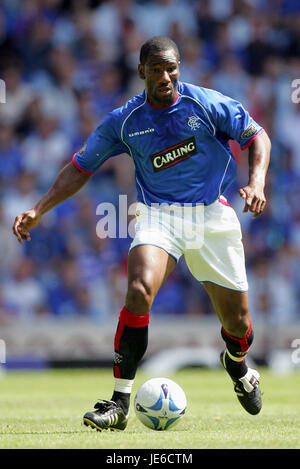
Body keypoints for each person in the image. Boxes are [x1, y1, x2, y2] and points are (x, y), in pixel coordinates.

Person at [13, 36, 271, 432]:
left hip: (211, 216)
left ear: (179, 68)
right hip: (158, 216)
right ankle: (119, 402)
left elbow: (257, 136)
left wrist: (256, 184)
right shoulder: (124, 121)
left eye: (172, 68)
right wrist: (39, 208)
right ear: (142, 72)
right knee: (138, 289)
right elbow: (81, 166)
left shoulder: (205, 103)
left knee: (238, 326)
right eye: (156, 69)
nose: (166, 76)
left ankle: (236, 364)